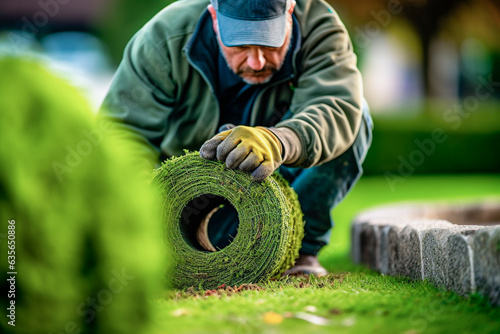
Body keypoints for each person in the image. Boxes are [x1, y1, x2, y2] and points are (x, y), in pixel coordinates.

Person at [100, 0, 373, 275]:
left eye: (270, 44)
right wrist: (135, 215)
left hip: (274, 196)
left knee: (357, 114)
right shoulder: (164, 38)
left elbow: (335, 106)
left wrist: (277, 141)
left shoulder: (319, 27)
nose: (257, 62)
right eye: (240, 46)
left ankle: (299, 253)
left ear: (290, 13)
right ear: (214, 18)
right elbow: (124, 134)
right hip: (187, 207)